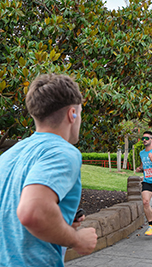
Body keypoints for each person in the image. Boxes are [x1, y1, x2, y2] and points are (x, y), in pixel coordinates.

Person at [0, 74, 97, 266]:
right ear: (72, 114)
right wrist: (77, 239)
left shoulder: (9, 156)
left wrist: (61, 224)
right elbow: (32, 212)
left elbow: (11, 215)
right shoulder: (63, 152)